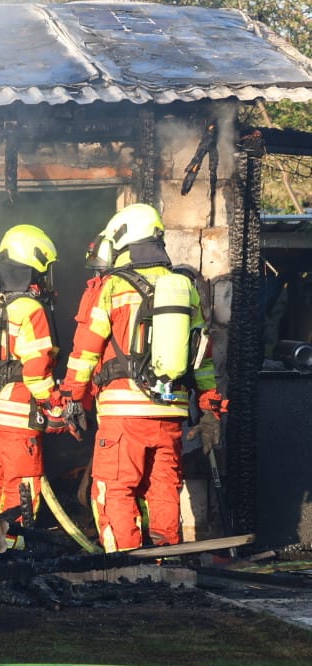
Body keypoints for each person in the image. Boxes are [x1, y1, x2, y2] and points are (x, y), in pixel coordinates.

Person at [60, 203, 220, 551]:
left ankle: (126, 566)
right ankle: (167, 563)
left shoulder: (111, 287)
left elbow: (85, 351)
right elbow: (202, 357)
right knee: (163, 490)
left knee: (115, 489)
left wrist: (72, 397)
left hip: (123, 413)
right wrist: (210, 407)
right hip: (171, 412)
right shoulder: (185, 287)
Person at [0, 224, 64, 544]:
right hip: (15, 418)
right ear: (33, 265)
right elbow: (35, 370)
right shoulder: (31, 309)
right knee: (21, 487)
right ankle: (12, 552)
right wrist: (54, 404)